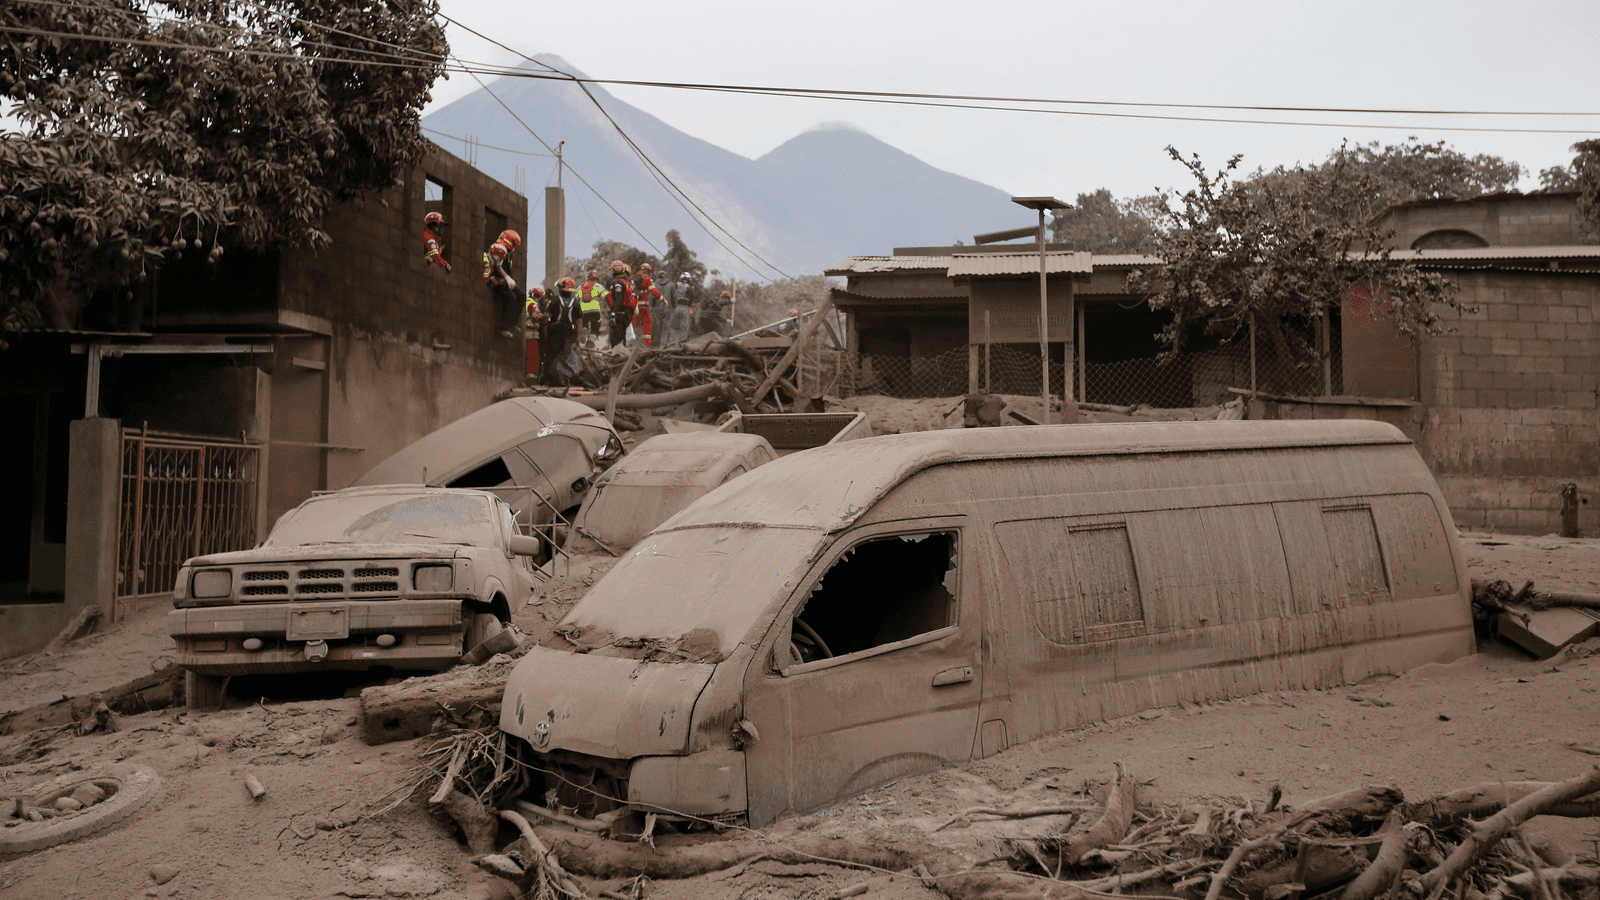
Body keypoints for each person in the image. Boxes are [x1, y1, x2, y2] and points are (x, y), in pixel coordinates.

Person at [482, 229, 522, 338]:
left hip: (503, 279)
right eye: (513, 244)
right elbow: (498, 267)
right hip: (495, 279)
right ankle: (503, 326)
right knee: (511, 299)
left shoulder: (507, 253)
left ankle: (512, 323)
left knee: (521, 296)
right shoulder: (498, 248)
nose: (513, 248)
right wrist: (507, 278)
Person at [542, 277, 582, 386]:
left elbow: (546, 316)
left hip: (554, 333)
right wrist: (578, 337)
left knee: (550, 356)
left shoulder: (554, 300)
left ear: (561, 289)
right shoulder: (576, 303)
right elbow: (579, 321)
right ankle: (566, 380)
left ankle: (547, 381)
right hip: (570, 334)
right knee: (567, 357)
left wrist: (545, 327)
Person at [606, 260, 636, 347]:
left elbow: (618, 300)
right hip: (628, 313)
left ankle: (617, 357)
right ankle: (623, 356)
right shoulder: (628, 282)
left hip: (620, 314)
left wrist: (613, 314)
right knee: (623, 337)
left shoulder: (618, 283)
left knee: (616, 340)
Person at [523, 286, 547, 379]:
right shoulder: (532, 304)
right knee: (533, 356)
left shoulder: (526, 302)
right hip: (531, 334)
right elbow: (538, 317)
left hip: (525, 332)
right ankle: (531, 377)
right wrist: (547, 315)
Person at [578, 270, 606, 349]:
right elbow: (606, 296)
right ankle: (590, 343)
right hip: (595, 310)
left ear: (588, 278)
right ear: (597, 279)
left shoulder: (580, 287)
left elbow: (576, 299)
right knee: (595, 328)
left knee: (584, 324)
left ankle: (584, 330)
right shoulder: (598, 286)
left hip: (583, 310)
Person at [634, 263, 660, 346]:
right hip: (644, 304)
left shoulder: (634, 277)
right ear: (648, 270)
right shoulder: (647, 278)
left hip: (633, 303)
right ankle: (647, 343)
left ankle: (629, 342)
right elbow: (654, 291)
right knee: (646, 322)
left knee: (632, 323)